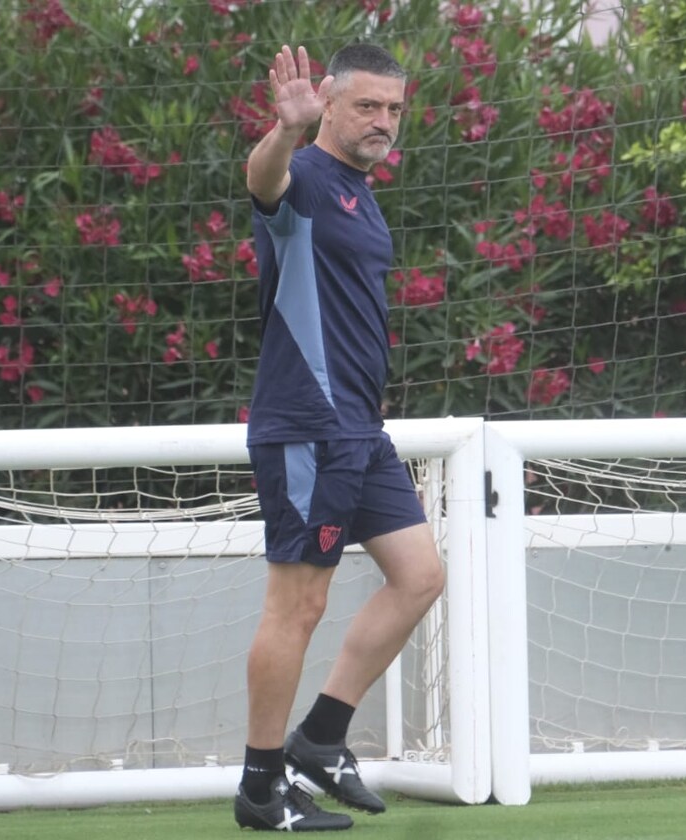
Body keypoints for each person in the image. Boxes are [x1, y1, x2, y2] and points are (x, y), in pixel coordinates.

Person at [233, 42, 446, 832]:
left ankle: (320, 739)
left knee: (421, 575)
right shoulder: (308, 177)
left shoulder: (359, 190)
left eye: (393, 108)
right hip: (309, 429)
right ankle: (260, 788)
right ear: (328, 102)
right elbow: (264, 182)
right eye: (366, 106)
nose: (382, 121)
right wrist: (285, 132)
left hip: (359, 432)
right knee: (298, 605)